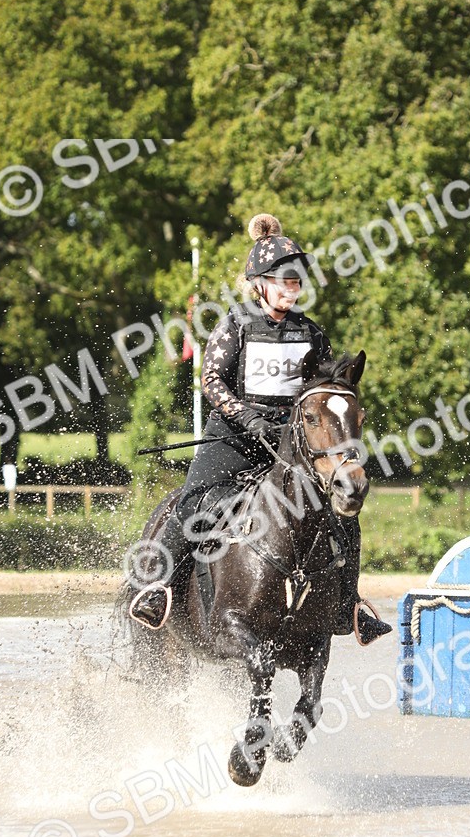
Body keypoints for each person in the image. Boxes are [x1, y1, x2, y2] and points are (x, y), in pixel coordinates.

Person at [129, 212, 392, 644]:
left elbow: (323, 393)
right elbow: (210, 380)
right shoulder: (236, 323)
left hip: (290, 443)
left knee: (343, 514)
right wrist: (248, 417)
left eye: (296, 281)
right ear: (260, 284)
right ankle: (155, 591)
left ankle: (350, 606)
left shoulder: (312, 333)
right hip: (233, 434)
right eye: (283, 280)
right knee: (194, 501)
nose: (292, 288)